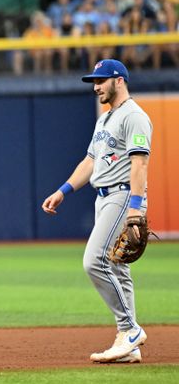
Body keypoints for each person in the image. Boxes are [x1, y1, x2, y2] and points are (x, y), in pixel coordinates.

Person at [41, 59, 151, 364]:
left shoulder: (134, 117)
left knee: (94, 261)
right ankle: (128, 345)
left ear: (118, 81)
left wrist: (135, 211)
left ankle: (130, 329)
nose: (96, 87)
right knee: (118, 268)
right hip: (102, 197)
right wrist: (63, 191)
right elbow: (89, 162)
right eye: (94, 81)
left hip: (122, 195)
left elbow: (140, 165)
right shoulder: (104, 120)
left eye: (101, 81)